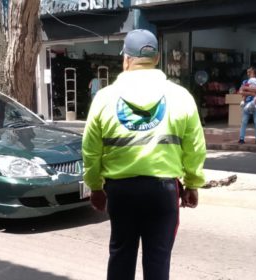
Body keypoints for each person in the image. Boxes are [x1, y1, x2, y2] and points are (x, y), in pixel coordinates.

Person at [82, 29, 206, 280]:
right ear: (157, 59)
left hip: (120, 191)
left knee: (121, 254)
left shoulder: (104, 98)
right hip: (163, 192)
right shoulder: (180, 96)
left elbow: (90, 150)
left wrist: (95, 187)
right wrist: (192, 184)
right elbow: (195, 146)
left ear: (126, 59)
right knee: (158, 260)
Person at [238, 66, 256, 144]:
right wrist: (252, 93)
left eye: (250, 72)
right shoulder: (245, 81)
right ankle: (241, 138)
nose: (248, 73)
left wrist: (246, 88)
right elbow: (240, 91)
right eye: (248, 72)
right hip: (248, 103)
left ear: (254, 72)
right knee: (244, 121)